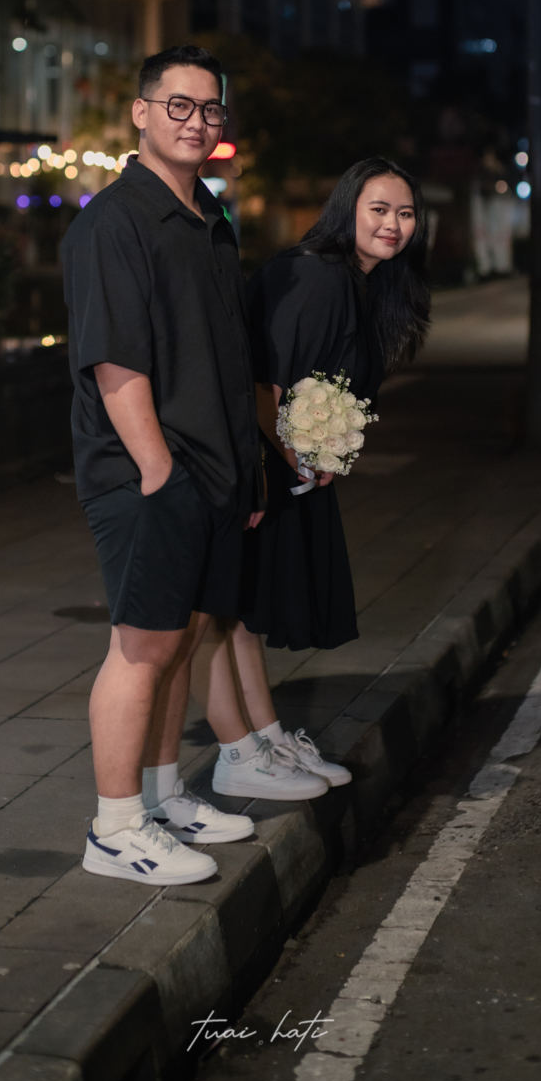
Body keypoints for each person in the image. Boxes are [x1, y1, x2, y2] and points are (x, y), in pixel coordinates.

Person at [62, 44, 316, 888]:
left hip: (214, 469)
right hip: (148, 473)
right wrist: (159, 472)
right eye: (179, 104)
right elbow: (116, 361)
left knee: (183, 640)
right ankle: (114, 827)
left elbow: (223, 353)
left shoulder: (208, 215)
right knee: (142, 646)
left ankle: (163, 795)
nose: (197, 121)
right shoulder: (114, 222)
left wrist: (245, 467)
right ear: (141, 113)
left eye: (210, 108)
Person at [204, 156, 431, 797]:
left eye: (405, 213)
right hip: (252, 462)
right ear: (346, 209)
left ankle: (268, 739)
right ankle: (242, 749)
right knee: (232, 611)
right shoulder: (317, 274)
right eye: (379, 210)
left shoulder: (363, 283)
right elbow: (265, 382)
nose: (393, 225)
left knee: (245, 613)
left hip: (284, 462)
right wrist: (297, 456)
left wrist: (324, 450)